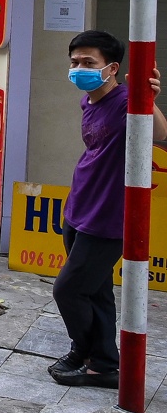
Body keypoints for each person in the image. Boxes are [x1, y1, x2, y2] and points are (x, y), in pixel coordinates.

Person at [49, 30, 167, 388]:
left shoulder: (126, 100)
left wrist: (148, 99)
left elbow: (159, 132)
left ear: (112, 68)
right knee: (96, 290)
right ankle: (102, 363)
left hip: (108, 216)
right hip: (80, 206)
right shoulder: (89, 101)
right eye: (75, 62)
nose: (79, 69)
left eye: (89, 63)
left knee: (68, 290)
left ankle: (84, 353)